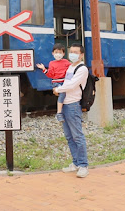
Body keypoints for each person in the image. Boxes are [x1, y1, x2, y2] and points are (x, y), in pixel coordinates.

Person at [53, 43, 89, 178]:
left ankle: (83, 165)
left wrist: (57, 90)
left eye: (75, 52)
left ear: (81, 55)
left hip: (73, 105)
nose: (72, 54)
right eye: (71, 51)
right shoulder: (70, 66)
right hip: (65, 105)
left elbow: (72, 84)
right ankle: (75, 163)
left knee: (77, 136)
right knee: (69, 137)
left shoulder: (82, 69)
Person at [36, 44, 71, 122]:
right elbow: (50, 74)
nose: (58, 54)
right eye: (56, 52)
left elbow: (71, 70)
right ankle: (59, 113)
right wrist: (44, 69)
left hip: (65, 82)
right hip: (56, 82)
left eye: (60, 52)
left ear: (63, 53)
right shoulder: (52, 63)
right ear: (53, 53)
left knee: (67, 96)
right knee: (62, 94)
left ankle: (67, 113)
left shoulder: (66, 62)